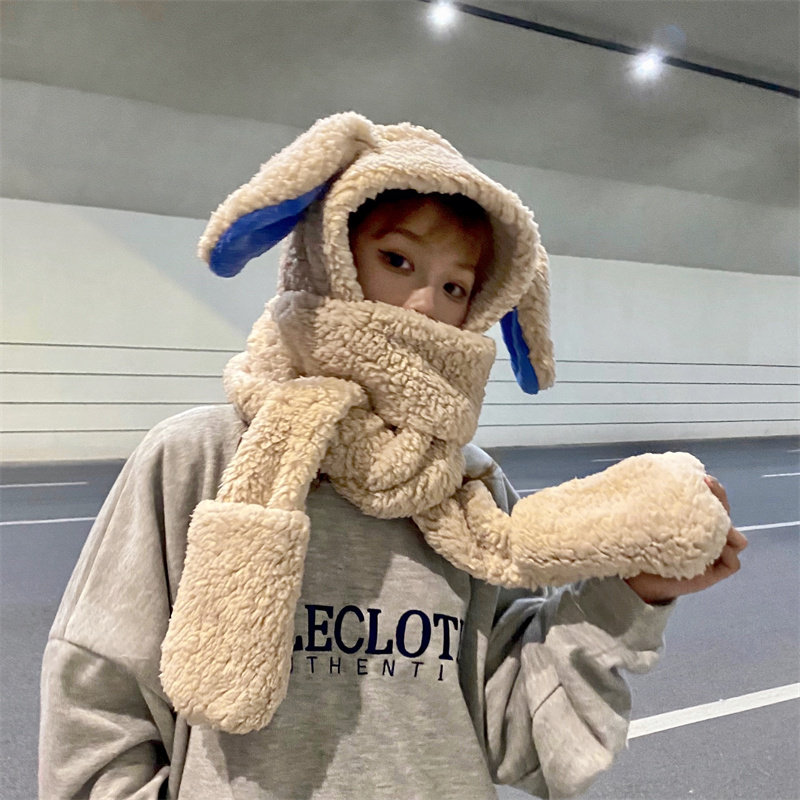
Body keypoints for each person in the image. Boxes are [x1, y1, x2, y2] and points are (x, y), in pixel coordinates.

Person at [39, 113, 746, 799]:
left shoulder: (471, 495)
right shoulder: (199, 458)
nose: (424, 306)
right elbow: (96, 702)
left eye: (455, 286)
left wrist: (632, 593)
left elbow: (518, 734)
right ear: (328, 256)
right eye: (397, 260)